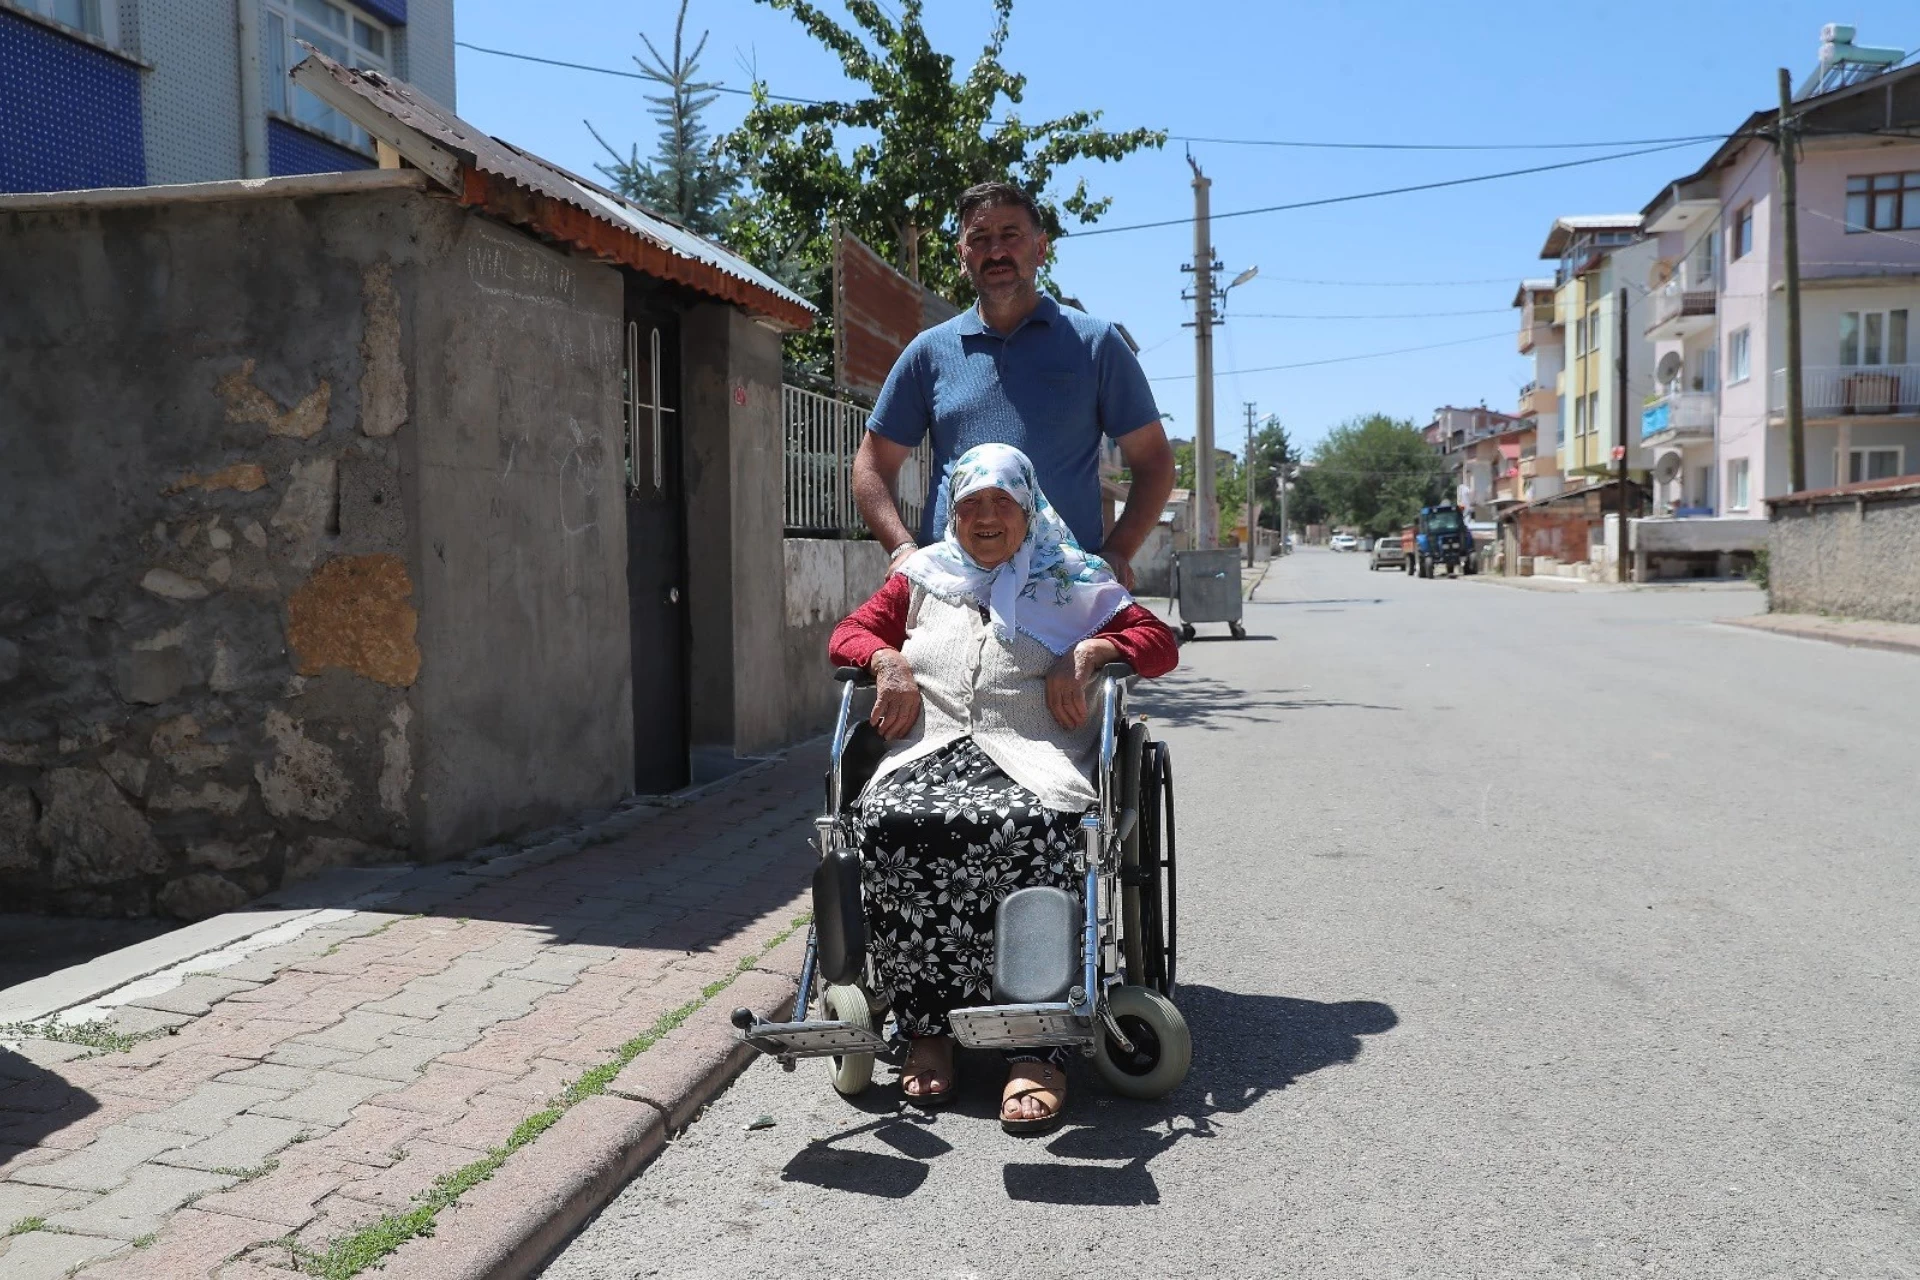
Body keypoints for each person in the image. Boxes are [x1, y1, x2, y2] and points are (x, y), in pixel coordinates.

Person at [829, 443, 1177, 1135]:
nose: (987, 518)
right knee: (890, 822)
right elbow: (850, 633)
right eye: (971, 505)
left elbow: (1157, 641)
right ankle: (928, 1029)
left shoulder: (1074, 578)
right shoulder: (921, 577)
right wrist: (886, 659)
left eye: (1002, 504)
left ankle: (1035, 1044)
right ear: (953, 515)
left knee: (1037, 828)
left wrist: (1093, 651)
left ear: (1028, 509)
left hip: (1035, 759)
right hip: (929, 754)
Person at [852, 181, 1177, 591]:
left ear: (1040, 249)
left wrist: (1118, 552)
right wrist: (901, 548)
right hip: (954, 594)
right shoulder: (928, 353)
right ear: (962, 256)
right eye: (980, 239)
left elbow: (1155, 463)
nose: (996, 251)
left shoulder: (1096, 345)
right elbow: (872, 464)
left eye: (1011, 236)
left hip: (1066, 593)